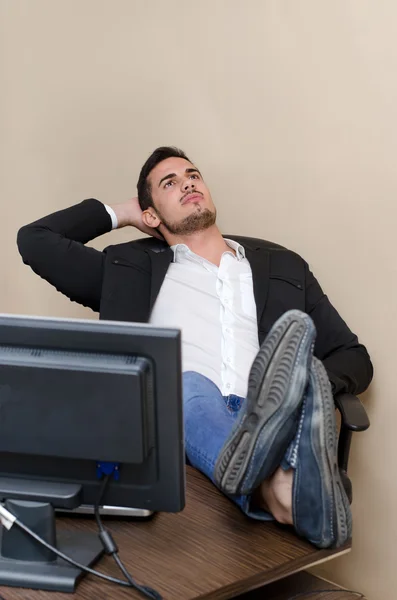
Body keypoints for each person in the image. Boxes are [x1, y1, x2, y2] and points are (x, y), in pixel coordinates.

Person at [17, 146, 373, 548]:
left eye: (193, 175)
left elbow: (354, 356)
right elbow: (34, 241)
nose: (187, 181)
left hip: (274, 412)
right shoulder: (126, 271)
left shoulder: (285, 267)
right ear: (151, 215)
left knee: (299, 375)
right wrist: (127, 211)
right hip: (181, 417)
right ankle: (283, 489)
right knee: (183, 383)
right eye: (169, 183)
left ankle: (278, 488)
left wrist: (304, 384)